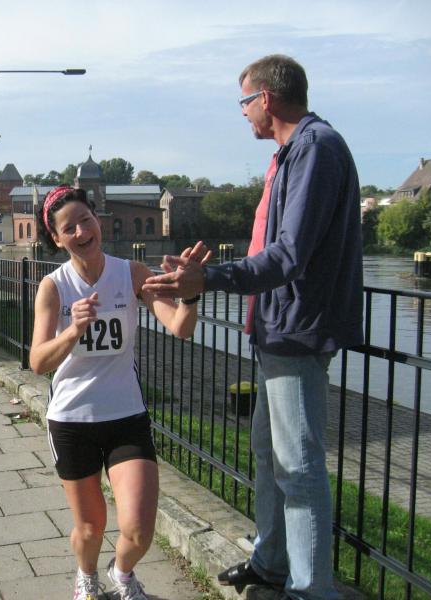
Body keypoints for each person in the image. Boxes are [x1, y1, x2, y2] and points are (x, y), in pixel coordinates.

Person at [143, 54, 363, 600]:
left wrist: (209, 278)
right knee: (270, 454)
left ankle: (311, 590)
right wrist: (204, 277)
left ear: (265, 98)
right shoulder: (293, 153)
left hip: (297, 330)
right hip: (278, 328)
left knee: (299, 467)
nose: (242, 113)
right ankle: (270, 563)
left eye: (244, 101)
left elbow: (289, 255)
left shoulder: (315, 148)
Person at [30, 185, 210, 600]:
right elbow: (38, 361)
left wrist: (190, 295)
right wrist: (73, 330)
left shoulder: (131, 273)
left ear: (98, 219)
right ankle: (86, 576)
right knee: (90, 528)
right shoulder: (54, 287)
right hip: (72, 420)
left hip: (125, 415)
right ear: (56, 237)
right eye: (69, 228)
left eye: (86, 220)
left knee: (140, 528)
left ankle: (123, 573)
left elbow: (180, 327)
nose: (81, 232)